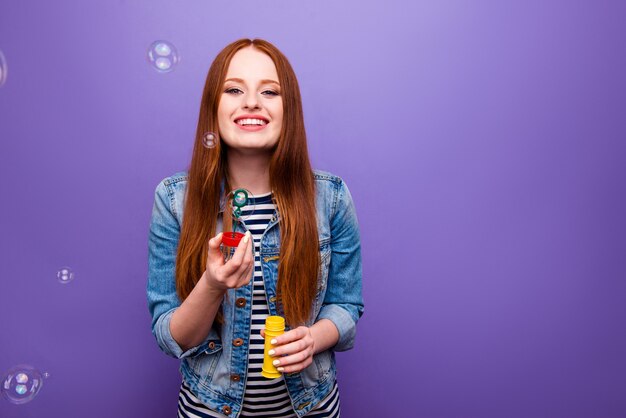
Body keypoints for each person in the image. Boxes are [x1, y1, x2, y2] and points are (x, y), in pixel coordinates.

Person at [147, 38, 363, 418]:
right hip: (208, 409)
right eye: (233, 89)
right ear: (213, 109)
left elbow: (346, 305)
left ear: (289, 110)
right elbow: (171, 336)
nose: (251, 102)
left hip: (310, 407)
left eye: (269, 91)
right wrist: (212, 284)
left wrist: (313, 339)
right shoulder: (174, 200)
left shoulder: (330, 197)